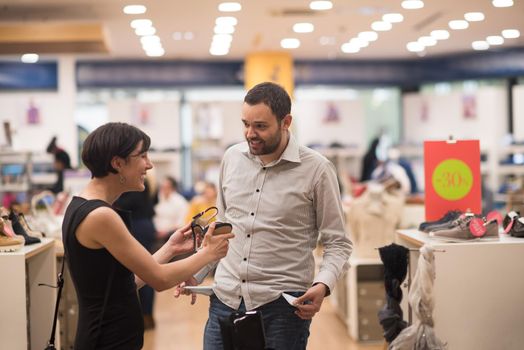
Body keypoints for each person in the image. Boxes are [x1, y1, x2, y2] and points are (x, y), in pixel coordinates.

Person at [175, 82, 353, 350]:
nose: (250, 133)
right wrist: (196, 273)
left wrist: (323, 285)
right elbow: (222, 231)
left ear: (286, 122)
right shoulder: (231, 158)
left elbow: (338, 243)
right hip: (224, 301)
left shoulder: (317, 170)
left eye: (260, 126)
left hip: (282, 310)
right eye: (245, 124)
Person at [62, 122, 233, 350]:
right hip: (107, 340)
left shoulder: (85, 207)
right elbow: (160, 279)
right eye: (142, 156)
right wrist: (208, 254)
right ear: (118, 163)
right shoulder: (101, 216)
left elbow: (124, 285)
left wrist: (170, 248)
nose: (149, 165)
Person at [114, 176, 158, 329]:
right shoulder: (147, 182)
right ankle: (147, 315)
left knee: (144, 271)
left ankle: (146, 316)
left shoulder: (135, 182)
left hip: (138, 225)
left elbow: (128, 203)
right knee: (146, 270)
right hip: (145, 224)